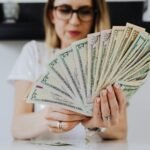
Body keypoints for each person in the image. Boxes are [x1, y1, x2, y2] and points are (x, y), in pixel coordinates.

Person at [8, 0, 127, 141]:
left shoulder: (108, 62)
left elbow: (120, 131)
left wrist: (95, 124)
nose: (75, 21)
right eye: (64, 10)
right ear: (51, 14)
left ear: (95, 16)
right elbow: (17, 127)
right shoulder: (34, 53)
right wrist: (50, 115)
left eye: (85, 11)